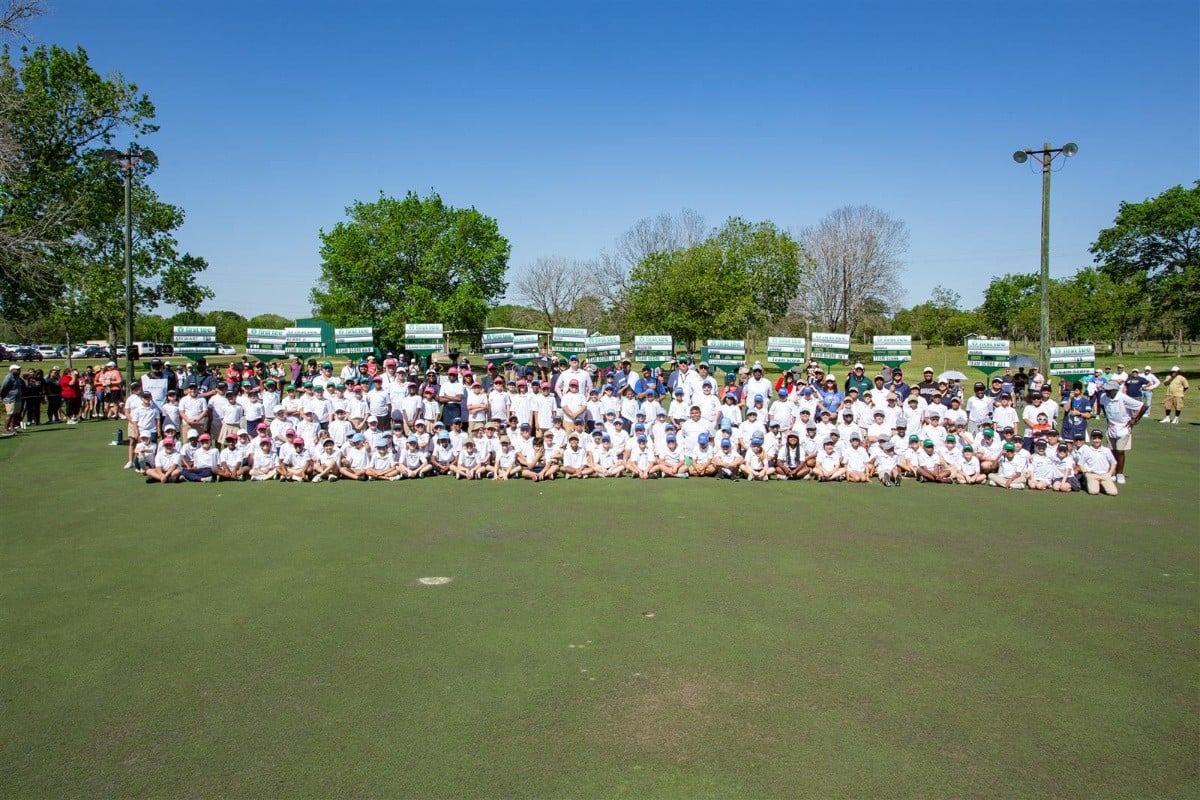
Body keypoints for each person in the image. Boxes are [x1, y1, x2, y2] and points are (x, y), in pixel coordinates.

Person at [1097, 380, 1145, 485]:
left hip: (1123, 428)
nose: (1106, 392)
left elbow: (1143, 406)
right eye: (1106, 390)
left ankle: (1120, 473)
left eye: (1109, 390)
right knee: (1112, 451)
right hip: (1111, 428)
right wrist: (1107, 418)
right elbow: (1103, 406)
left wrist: (1134, 420)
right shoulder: (1104, 397)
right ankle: (1113, 472)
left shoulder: (1123, 398)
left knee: (1120, 451)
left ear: (1115, 390)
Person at [1074, 429, 1118, 495]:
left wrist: (1110, 473)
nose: (1097, 440)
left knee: (1113, 492)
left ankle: (1101, 485)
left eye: (1099, 438)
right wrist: (1085, 473)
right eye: (1094, 438)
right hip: (1092, 474)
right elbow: (1081, 463)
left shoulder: (1106, 450)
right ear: (1091, 439)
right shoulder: (1087, 450)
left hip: (1104, 474)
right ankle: (1089, 482)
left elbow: (1114, 463)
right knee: (1094, 491)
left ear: (1101, 439)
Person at [2, 364, 23, 434]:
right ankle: (5, 429)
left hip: (17, 398)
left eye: (19, 369)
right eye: (17, 369)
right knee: (10, 414)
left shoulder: (17, 377)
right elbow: (4, 387)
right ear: (12, 370)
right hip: (10, 399)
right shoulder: (8, 377)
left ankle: (12, 428)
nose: (19, 370)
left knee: (15, 414)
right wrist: (3, 396)